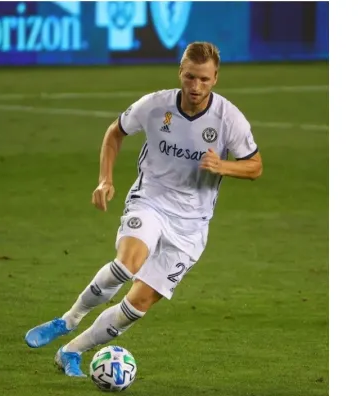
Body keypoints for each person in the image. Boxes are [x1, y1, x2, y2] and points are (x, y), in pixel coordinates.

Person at [24, 42, 263, 377]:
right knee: (127, 263)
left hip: (191, 227)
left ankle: (70, 352)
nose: (196, 87)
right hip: (150, 201)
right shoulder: (155, 105)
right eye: (190, 77)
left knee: (138, 304)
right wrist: (104, 180)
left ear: (216, 78)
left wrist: (224, 166)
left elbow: (255, 167)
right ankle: (68, 320)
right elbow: (114, 133)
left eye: (204, 80)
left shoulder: (228, 118)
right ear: (180, 71)